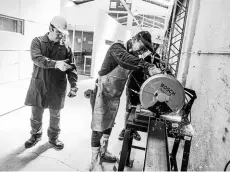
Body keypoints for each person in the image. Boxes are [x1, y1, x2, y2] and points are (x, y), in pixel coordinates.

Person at [88, 31, 158, 171]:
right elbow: (125, 59)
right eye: (142, 47)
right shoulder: (117, 48)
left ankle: (103, 152)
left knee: (109, 124)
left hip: (113, 96)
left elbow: (137, 74)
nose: (142, 52)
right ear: (135, 39)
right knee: (98, 127)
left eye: (145, 50)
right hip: (101, 93)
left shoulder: (133, 56)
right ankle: (94, 160)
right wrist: (147, 66)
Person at [24, 16, 78, 151]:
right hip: (39, 85)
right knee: (36, 113)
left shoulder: (66, 47)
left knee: (55, 115)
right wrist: (56, 64)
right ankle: (35, 135)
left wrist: (74, 85)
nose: (61, 36)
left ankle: (53, 138)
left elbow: (72, 68)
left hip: (57, 86)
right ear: (50, 28)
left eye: (62, 34)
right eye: (58, 33)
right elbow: (37, 59)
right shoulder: (37, 42)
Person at [118, 42, 162, 141]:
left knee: (138, 108)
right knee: (129, 108)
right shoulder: (139, 55)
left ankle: (133, 129)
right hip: (133, 86)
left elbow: (158, 72)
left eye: (156, 45)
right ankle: (125, 129)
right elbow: (132, 69)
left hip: (146, 89)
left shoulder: (157, 57)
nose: (154, 47)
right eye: (153, 45)